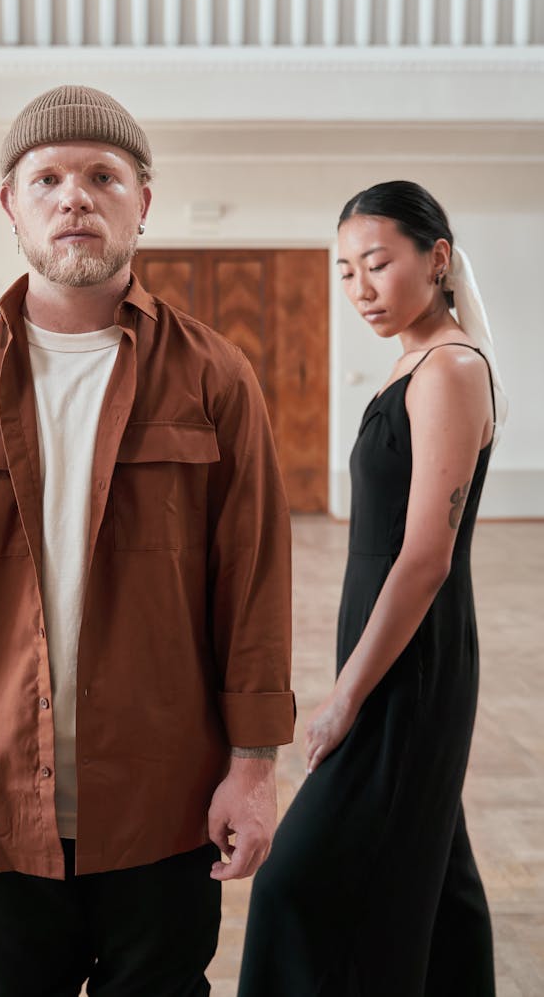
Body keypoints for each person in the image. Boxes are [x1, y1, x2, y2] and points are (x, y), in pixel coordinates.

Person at [0, 84, 295, 997]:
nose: (75, 197)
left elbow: (253, 586)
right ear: (12, 205)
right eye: (48, 177)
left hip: (166, 792)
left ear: (143, 202)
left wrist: (252, 769)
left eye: (104, 175)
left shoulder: (216, 376)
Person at [238, 181, 502, 997]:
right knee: (435, 874)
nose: (360, 289)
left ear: (439, 259)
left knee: (296, 883)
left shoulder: (450, 370)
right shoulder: (412, 365)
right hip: (392, 654)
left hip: (410, 669)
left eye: (378, 264)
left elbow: (425, 557)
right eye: (346, 271)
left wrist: (346, 697)